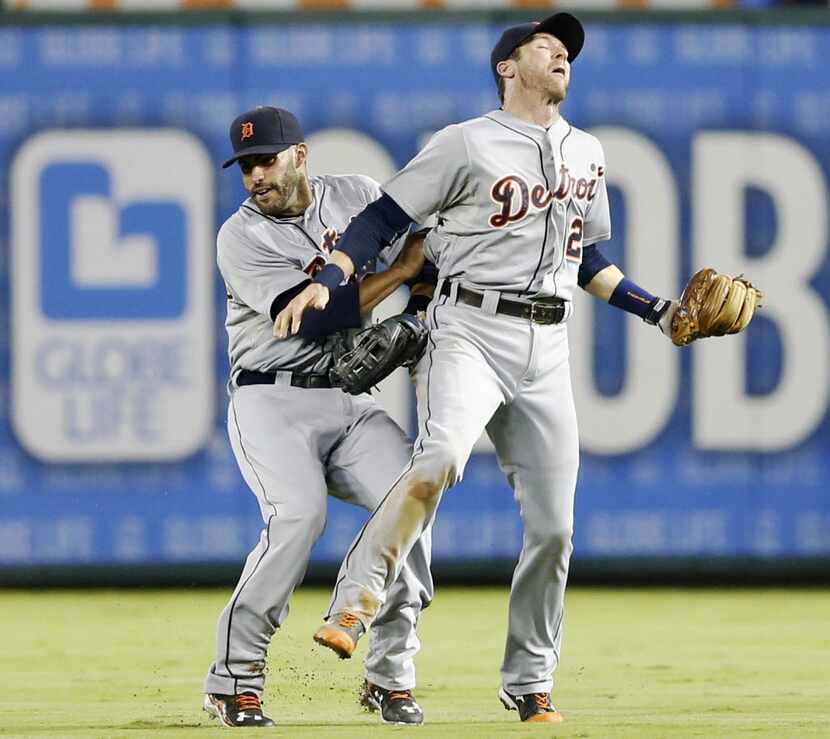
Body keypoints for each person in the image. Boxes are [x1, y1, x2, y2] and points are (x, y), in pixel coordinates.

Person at [275, 13, 680, 724]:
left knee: (555, 528)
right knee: (440, 458)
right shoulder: (466, 142)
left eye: (567, 49)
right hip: (467, 326)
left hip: (548, 346)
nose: (561, 53)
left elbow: (587, 257)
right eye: (545, 45)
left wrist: (658, 311)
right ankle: (355, 603)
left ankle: (530, 682)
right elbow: (383, 218)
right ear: (507, 67)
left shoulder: (587, 151)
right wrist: (332, 277)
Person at [203, 106, 435, 728]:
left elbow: (429, 249)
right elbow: (313, 315)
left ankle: (390, 678)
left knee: (410, 501)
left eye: (267, 160)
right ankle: (234, 679)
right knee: (298, 517)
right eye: (246, 165)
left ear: (300, 156)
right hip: (269, 398)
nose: (256, 175)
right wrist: (402, 272)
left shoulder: (357, 195)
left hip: (348, 398)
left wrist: (413, 302)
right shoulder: (240, 235)